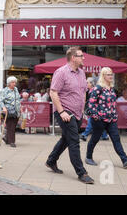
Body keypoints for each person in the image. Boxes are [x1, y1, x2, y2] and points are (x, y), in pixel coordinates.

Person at [45, 47, 94, 184]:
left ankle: (51, 160)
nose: (83, 58)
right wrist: (61, 112)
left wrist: (83, 107)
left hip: (77, 113)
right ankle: (82, 173)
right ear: (73, 57)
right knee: (74, 141)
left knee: (66, 139)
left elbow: (84, 91)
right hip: (64, 111)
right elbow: (53, 93)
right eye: (81, 56)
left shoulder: (82, 73)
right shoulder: (61, 72)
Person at [85, 67, 127, 169]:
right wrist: (96, 116)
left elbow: (113, 104)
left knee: (116, 139)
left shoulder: (112, 88)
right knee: (95, 139)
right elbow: (91, 104)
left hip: (111, 119)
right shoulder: (98, 88)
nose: (111, 76)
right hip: (99, 120)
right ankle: (88, 157)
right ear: (103, 76)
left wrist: (114, 115)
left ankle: (125, 160)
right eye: (108, 74)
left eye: (111, 74)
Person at [80, 77, 109, 141]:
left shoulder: (94, 90)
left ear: (91, 83)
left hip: (95, 109)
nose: (86, 84)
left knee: (91, 122)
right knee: (99, 123)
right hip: (95, 109)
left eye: (87, 83)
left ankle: (84, 135)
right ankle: (104, 136)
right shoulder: (90, 90)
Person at [0, 76, 21, 147]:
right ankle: (12, 141)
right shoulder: (4, 91)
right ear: (8, 83)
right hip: (8, 111)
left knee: (13, 126)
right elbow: (1, 101)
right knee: (11, 126)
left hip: (16, 111)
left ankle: (7, 138)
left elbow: (18, 99)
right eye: (12, 82)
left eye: (15, 82)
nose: (14, 84)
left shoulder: (16, 90)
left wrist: (20, 108)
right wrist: (3, 108)